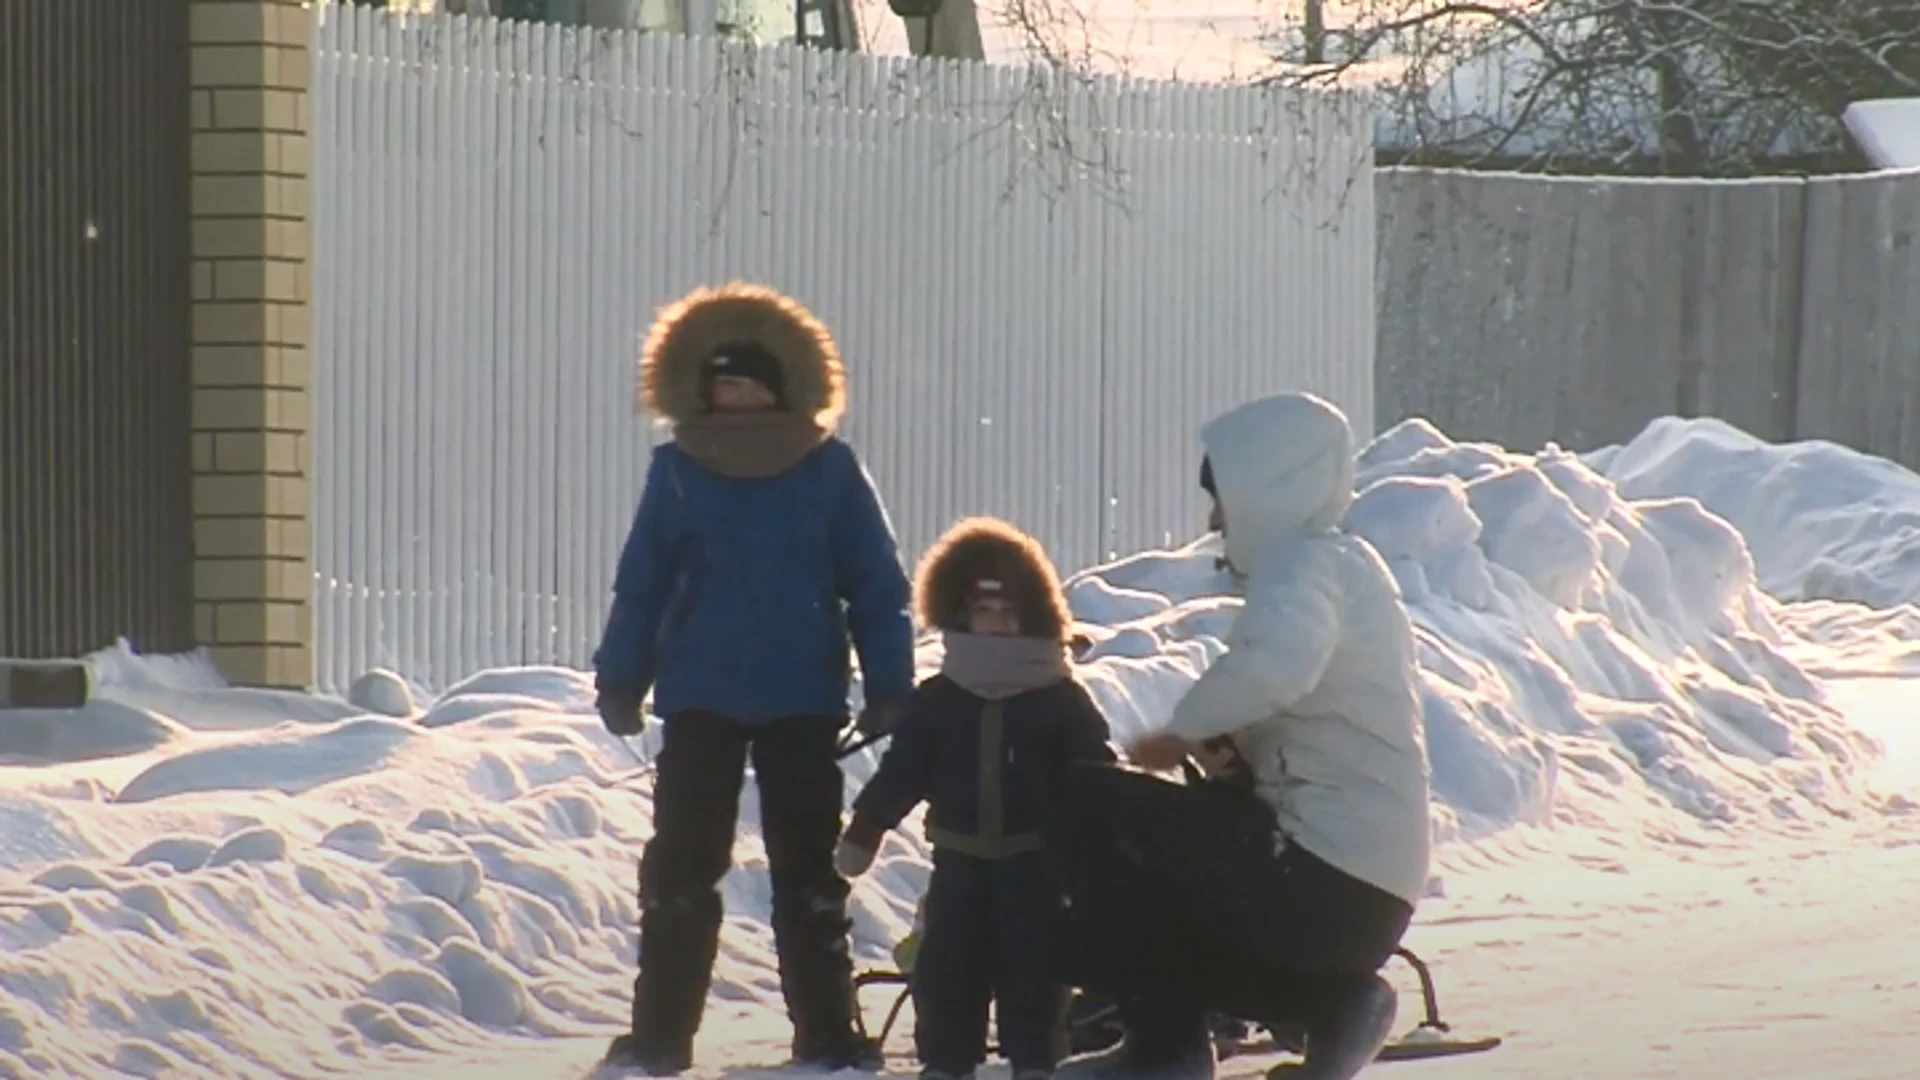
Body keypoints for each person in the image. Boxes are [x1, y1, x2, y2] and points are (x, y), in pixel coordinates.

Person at [1050, 391, 1433, 1080]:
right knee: (1167, 868)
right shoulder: (1340, 569)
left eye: (1223, 497)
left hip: (1321, 878)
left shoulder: (1306, 563)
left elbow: (1276, 667)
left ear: (1268, 488)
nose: (1215, 519)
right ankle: (1335, 1005)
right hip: (1360, 896)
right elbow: (1308, 723)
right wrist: (1235, 767)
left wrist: (1183, 731)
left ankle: (1164, 1044)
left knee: (1084, 808)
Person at [592, 282, 917, 1076]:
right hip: (700, 692)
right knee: (679, 868)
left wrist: (889, 684)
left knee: (807, 874)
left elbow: (876, 584)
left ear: (779, 386)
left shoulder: (827, 470)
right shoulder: (677, 471)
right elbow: (643, 582)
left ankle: (828, 1034)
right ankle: (662, 1037)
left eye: (744, 382)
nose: (730, 395)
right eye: (721, 382)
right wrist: (622, 676)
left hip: (802, 696)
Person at [833, 516, 1117, 1080]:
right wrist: (867, 826)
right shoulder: (940, 700)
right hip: (959, 863)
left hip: (1036, 867)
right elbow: (904, 769)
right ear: (959, 617)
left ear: (1032, 617)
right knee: (947, 974)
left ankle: (1036, 1065)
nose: (995, 626)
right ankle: (946, 1065)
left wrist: (1108, 844)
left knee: (1034, 976)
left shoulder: (1059, 699)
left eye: (1008, 615)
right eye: (984, 614)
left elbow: (1094, 776)